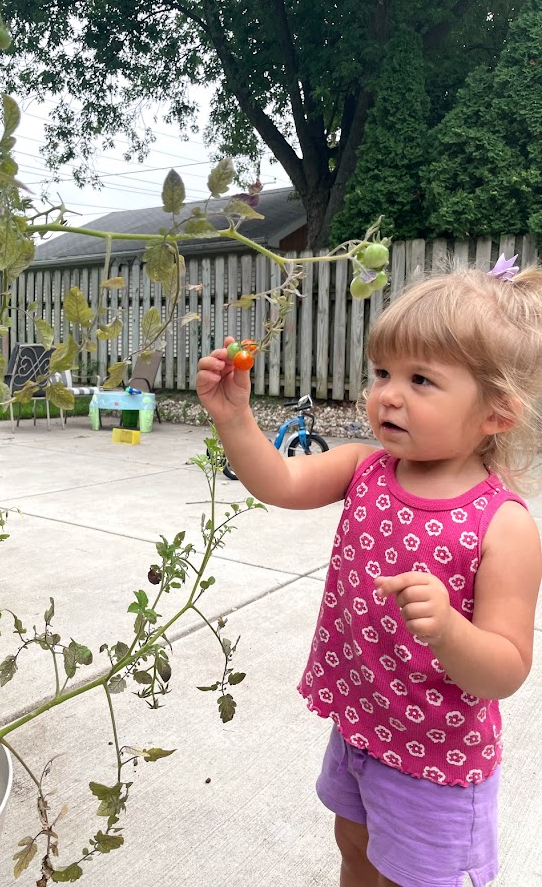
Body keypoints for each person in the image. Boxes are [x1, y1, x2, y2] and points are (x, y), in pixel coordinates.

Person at [196, 261, 542, 887]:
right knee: (355, 852)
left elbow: (507, 668)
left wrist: (448, 630)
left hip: (435, 760)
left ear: (497, 414)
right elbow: (280, 482)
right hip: (361, 726)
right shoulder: (363, 468)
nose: (387, 393)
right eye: (382, 372)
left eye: (421, 380)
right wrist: (235, 419)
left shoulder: (504, 526)